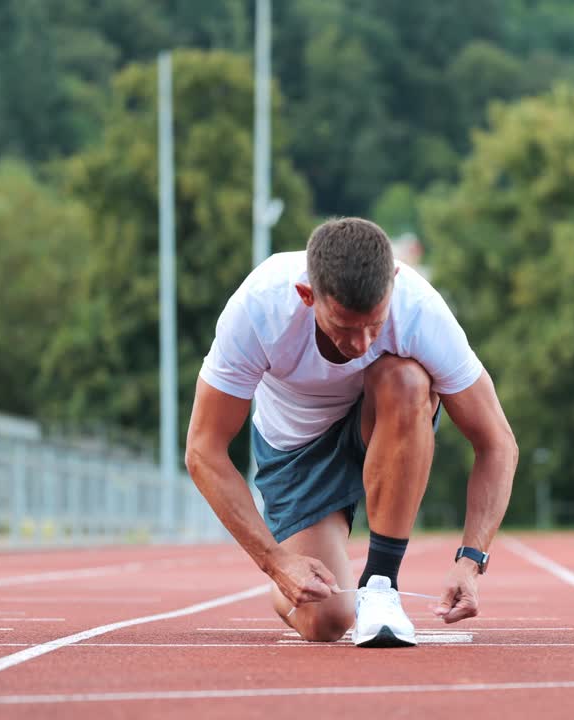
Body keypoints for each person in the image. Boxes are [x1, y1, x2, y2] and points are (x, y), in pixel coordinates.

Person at [185, 217, 518, 648]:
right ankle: (298, 577)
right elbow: (203, 450)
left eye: (374, 325)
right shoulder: (260, 307)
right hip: (297, 451)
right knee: (327, 621)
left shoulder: (418, 308)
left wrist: (471, 560)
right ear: (307, 296)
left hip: (378, 419)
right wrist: (276, 561)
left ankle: (381, 585)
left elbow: (498, 443)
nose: (360, 345)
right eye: (344, 327)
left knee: (407, 379)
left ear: (393, 284)